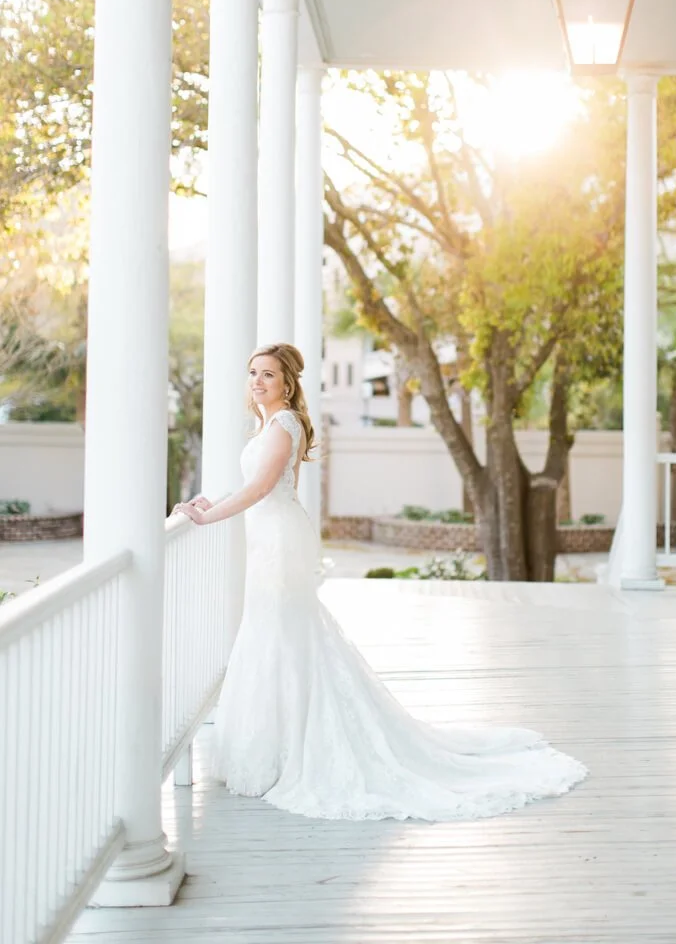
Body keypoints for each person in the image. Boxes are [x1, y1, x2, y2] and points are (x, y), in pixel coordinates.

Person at [173, 343, 587, 821]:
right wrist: (209, 502)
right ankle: (275, 744)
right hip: (268, 537)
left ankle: (289, 748)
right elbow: (251, 486)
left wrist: (209, 518)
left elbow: (262, 489)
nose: (258, 382)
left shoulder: (285, 423)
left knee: (283, 633)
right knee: (272, 633)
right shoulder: (267, 425)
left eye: (268, 374)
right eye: (253, 374)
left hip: (281, 540)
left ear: (287, 383)